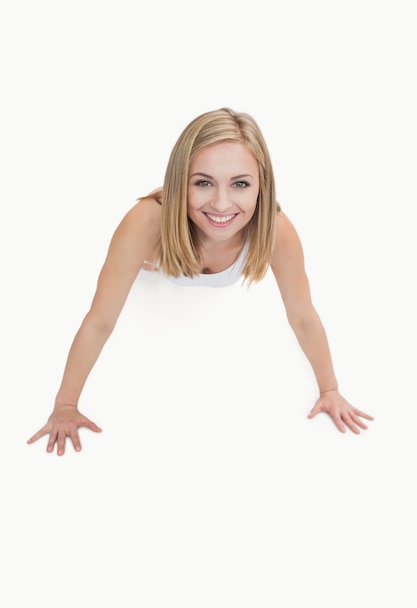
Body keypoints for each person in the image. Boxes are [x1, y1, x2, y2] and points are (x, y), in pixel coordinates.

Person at [27, 107, 373, 455]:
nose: (222, 203)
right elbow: (100, 321)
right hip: (160, 243)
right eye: (203, 182)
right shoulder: (146, 222)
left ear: (261, 186)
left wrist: (329, 389)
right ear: (180, 183)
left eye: (240, 184)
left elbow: (303, 316)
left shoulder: (277, 232)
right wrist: (66, 405)